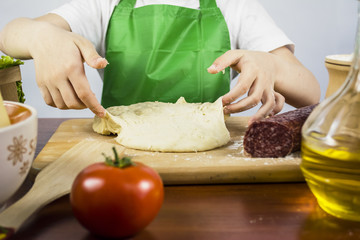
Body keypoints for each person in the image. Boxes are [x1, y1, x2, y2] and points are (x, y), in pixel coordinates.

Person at [0, 0, 320, 124]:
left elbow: (310, 92)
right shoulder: (104, 5)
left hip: (207, 152)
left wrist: (271, 64)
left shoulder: (235, 7)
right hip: (120, 155)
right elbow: (10, 35)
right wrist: (41, 36)